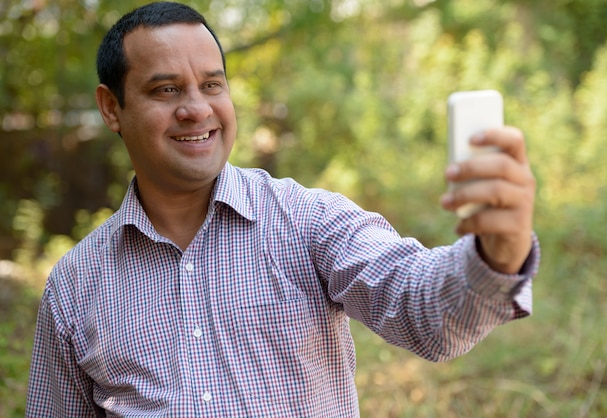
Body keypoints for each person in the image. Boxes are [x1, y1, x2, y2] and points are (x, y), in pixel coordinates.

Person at [26, 2, 539, 417]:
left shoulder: (305, 220)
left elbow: (426, 314)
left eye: (211, 84)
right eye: (166, 89)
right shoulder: (75, 287)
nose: (197, 108)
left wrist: (499, 252)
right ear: (112, 107)